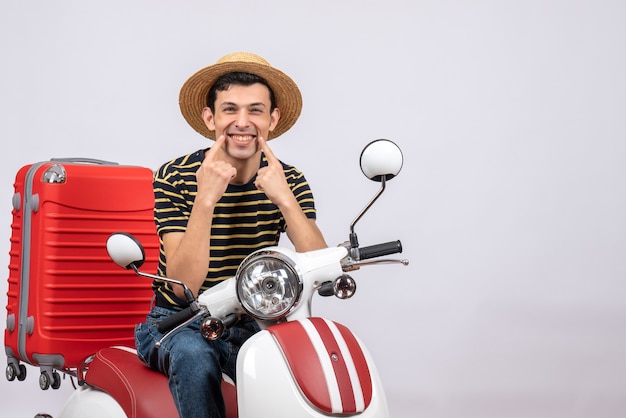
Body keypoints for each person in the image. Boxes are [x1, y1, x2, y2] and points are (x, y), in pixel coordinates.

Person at [134, 52, 327, 418]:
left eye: (255, 110)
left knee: (308, 356)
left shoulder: (289, 180)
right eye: (229, 110)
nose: (243, 122)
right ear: (210, 118)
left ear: (273, 118)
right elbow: (182, 286)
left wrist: (285, 199)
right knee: (194, 358)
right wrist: (205, 198)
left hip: (254, 320)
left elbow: (321, 266)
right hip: (179, 323)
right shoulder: (175, 175)